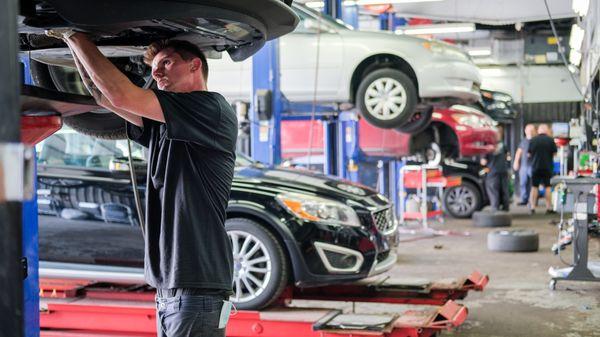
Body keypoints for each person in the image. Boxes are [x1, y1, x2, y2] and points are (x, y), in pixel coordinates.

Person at [47, 30, 237, 336]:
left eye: (166, 63)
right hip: (174, 292)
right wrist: (70, 41)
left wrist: (78, 34)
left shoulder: (209, 109)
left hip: (197, 289)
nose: (157, 73)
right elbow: (103, 96)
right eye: (153, 69)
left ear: (195, 66)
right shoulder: (166, 124)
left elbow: (123, 95)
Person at [528, 123, 557, 214]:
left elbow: (528, 154)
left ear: (539, 130)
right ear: (546, 130)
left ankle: (532, 207)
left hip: (535, 167)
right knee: (547, 187)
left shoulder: (533, 140)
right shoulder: (550, 140)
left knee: (534, 187)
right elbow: (555, 154)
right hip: (547, 167)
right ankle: (548, 207)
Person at [481, 125, 511, 212]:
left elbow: (483, 161)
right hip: (503, 170)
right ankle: (506, 208)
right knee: (504, 189)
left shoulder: (488, 145)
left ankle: (495, 209)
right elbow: (508, 157)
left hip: (492, 171)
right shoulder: (504, 145)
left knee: (493, 190)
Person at [513, 124, 537, 205]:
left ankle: (533, 201)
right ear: (525, 131)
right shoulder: (523, 141)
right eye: (528, 130)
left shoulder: (536, 141)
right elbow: (519, 152)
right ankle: (524, 199)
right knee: (523, 183)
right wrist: (516, 162)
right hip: (524, 166)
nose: (530, 132)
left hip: (533, 166)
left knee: (533, 184)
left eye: (531, 130)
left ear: (534, 131)